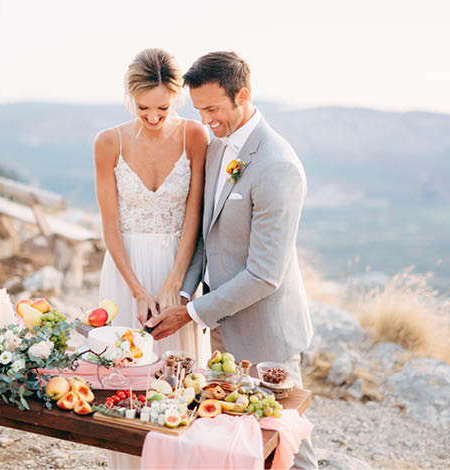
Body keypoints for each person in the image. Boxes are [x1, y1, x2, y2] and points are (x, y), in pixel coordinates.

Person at [146, 51, 318, 469]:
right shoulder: (222, 146)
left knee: (288, 449)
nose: (205, 120)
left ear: (242, 95)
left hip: (266, 334)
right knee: (238, 442)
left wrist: (190, 313)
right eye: (200, 109)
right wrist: (184, 291)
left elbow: (264, 275)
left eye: (213, 109)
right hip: (219, 324)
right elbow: (210, 233)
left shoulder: (278, 166)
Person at [94, 47, 211, 366]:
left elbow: (193, 214)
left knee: (179, 376)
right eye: (143, 107)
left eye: (163, 106)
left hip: (178, 265)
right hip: (125, 271)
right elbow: (110, 225)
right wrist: (137, 291)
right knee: (121, 371)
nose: (154, 117)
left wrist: (175, 283)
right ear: (130, 96)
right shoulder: (108, 142)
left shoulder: (194, 136)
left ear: (177, 96)